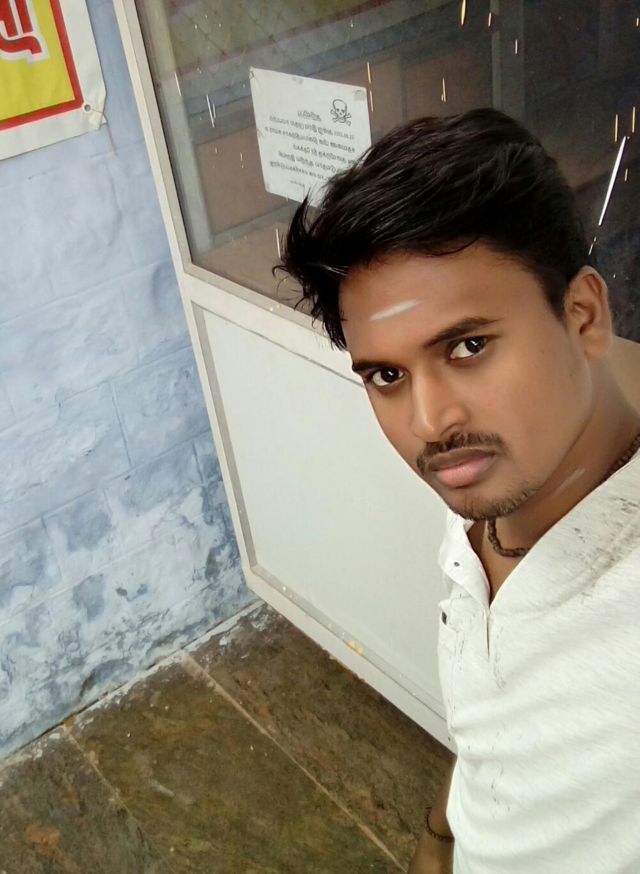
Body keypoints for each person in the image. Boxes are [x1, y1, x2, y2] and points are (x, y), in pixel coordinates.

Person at [277, 108, 640, 873]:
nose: (429, 422)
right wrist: (441, 836)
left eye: (469, 346)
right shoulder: (498, 477)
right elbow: (494, 721)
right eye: (387, 375)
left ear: (583, 315)